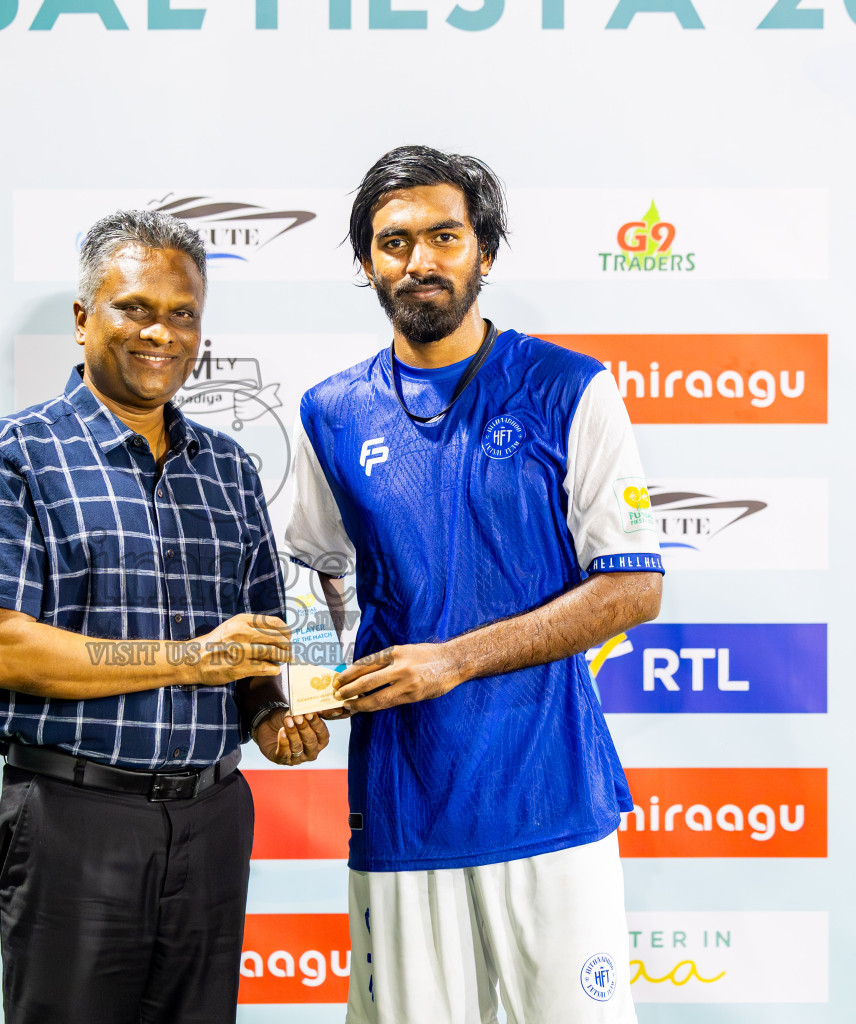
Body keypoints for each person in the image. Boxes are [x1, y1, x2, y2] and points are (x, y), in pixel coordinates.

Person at [284, 145, 664, 1024]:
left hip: (549, 793)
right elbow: (313, 572)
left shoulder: (571, 388)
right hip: (402, 798)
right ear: (367, 264)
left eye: (443, 236)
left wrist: (452, 660)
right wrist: (307, 682)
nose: (419, 261)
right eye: (393, 243)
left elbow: (633, 588)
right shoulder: (330, 410)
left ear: (483, 252)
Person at [0, 209, 331, 1024]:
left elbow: (255, 641)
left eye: (182, 314)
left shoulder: (226, 466)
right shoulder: (13, 453)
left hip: (212, 818)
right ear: (83, 317)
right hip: (76, 821)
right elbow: (4, 654)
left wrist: (267, 714)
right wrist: (193, 659)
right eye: (135, 308)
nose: (162, 333)